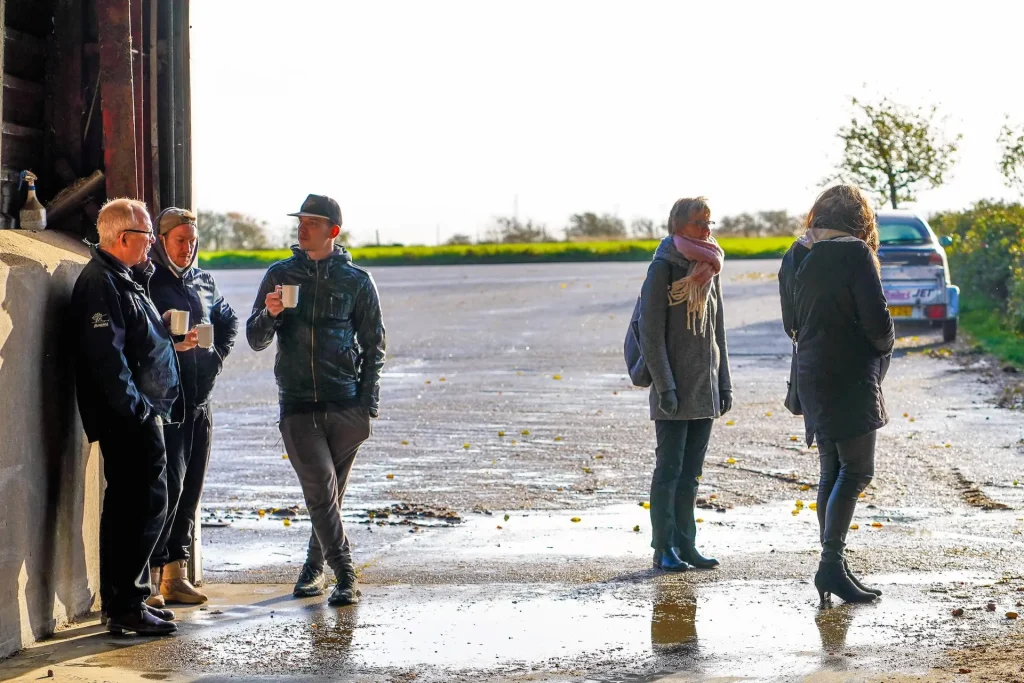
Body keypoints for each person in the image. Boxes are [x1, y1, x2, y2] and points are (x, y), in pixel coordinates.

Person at [246, 194, 385, 606]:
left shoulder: (357, 281)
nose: (302, 228)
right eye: (300, 221)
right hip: (297, 403)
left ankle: (312, 568)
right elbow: (255, 340)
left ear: (333, 231)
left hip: (346, 405)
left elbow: (374, 346)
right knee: (322, 490)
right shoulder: (279, 274)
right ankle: (345, 575)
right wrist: (269, 314)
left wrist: (367, 407)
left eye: (312, 222)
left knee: (327, 497)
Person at [71, 198, 183, 635]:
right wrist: (137, 410)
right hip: (129, 416)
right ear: (123, 238)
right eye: (147, 236)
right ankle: (126, 605)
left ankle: (126, 603)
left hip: (140, 411)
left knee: (136, 506)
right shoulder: (101, 282)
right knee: (140, 507)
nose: (153, 243)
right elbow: (106, 358)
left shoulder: (125, 278)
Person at [778, 184, 894, 606]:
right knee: (857, 471)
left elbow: (790, 321)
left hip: (811, 372)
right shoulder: (856, 253)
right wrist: (884, 348)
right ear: (859, 219)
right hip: (849, 374)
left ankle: (834, 567)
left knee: (832, 472)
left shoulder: (796, 254)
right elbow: (878, 324)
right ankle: (830, 564)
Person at [145, 207, 238, 606]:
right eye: (180, 240)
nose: (187, 247)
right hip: (168, 403)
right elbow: (141, 338)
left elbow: (228, 319)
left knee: (191, 489)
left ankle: (175, 576)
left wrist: (217, 354)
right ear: (162, 240)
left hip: (202, 400)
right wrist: (168, 340)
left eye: (192, 240)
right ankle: (148, 580)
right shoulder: (149, 281)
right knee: (167, 488)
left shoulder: (203, 280)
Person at [638, 197, 732, 573]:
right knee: (669, 470)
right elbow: (650, 335)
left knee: (692, 473)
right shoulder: (662, 268)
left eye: (709, 222)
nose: (707, 230)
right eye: (698, 223)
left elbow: (717, 332)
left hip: (704, 388)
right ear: (678, 226)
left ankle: (686, 545)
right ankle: (663, 547)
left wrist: (724, 384)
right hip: (672, 389)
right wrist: (665, 386)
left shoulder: (710, 267)